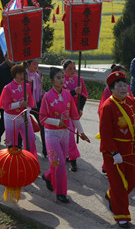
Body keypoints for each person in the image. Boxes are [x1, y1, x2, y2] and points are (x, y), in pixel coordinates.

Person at [99, 70, 135, 227]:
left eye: (124, 84)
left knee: (132, 182)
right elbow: (105, 134)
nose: (124, 88)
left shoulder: (131, 101)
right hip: (114, 153)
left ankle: (110, 194)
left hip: (130, 150)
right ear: (112, 89)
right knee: (119, 186)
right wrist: (114, 152)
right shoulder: (108, 106)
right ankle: (122, 216)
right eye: (119, 85)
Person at [40, 67, 89, 204]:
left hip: (65, 133)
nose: (62, 80)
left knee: (57, 162)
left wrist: (82, 132)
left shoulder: (67, 95)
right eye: (58, 78)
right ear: (52, 81)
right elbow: (42, 119)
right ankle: (60, 192)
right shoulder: (47, 97)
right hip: (52, 135)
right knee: (61, 164)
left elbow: (74, 116)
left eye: (62, 77)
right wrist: (57, 121)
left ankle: (48, 176)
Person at [98, 64, 131, 174]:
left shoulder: (127, 87)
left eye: (124, 75)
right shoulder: (109, 90)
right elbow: (104, 107)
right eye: (121, 74)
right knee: (110, 144)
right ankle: (106, 166)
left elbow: (130, 101)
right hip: (114, 121)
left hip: (124, 121)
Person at [0, 64, 37, 158]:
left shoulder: (27, 86)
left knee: (30, 140)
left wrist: (26, 112)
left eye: (23, 73)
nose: (22, 76)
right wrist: (19, 104)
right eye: (19, 74)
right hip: (11, 118)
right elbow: (6, 106)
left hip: (24, 117)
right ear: (14, 74)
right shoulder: (8, 88)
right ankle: (12, 163)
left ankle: (31, 161)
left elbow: (31, 103)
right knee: (12, 143)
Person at [63, 59, 88, 172]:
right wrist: (73, 92)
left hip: (75, 112)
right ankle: (65, 155)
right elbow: (61, 95)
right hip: (64, 111)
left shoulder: (79, 80)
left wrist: (80, 108)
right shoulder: (62, 79)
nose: (73, 70)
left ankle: (73, 159)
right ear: (64, 70)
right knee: (66, 135)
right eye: (70, 68)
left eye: (74, 68)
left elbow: (84, 95)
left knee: (71, 135)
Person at [27, 59, 46, 157]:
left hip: (37, 103)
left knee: (43, 125)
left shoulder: (38, 76)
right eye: (34, 64)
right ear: (28, 64)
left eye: (37, 64)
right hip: (26, 104)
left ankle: (45, 149)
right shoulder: (23, 75)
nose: (36, 66)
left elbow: (40, 90)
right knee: (24, 126)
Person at [0, 53, 15, 143]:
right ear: (5, 57)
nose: (11, 59)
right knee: (4, 116)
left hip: (15, 98)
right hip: (3, 97)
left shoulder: (17, 68)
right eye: (9, 57)